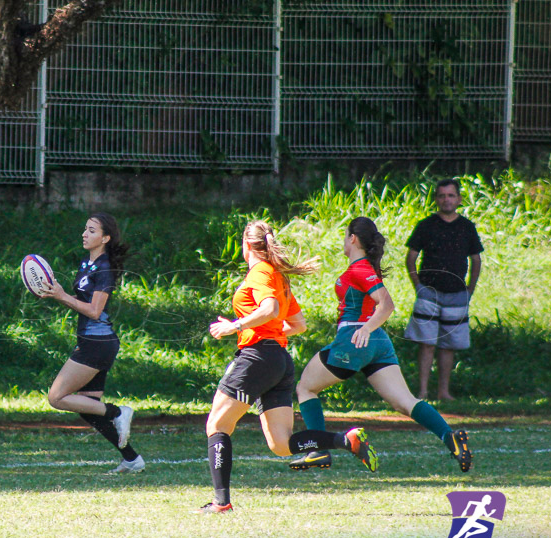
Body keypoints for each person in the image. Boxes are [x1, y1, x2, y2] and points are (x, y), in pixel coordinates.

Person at [198, 220, 379, 515]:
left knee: (217, 425)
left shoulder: (260, 272)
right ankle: (345, 441)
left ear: (246, 245)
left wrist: (236, 326)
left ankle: (221, 502)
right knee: (282, 445)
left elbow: (269, 310)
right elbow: (298, 325)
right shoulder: (279, 277)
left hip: (256, 358)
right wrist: (268, 332)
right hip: (279, 360)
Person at [291, 217, 472, 473]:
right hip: (378, 343)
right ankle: (450, 438)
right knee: (405, 402)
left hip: (356, 339)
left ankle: (318, 451)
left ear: (353, 238)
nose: (344, 241)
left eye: (345, 236)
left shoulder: (359, 268)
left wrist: (365, 328)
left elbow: (386, 304)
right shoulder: (363, 268)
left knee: (306, 388)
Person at [38, 212, 143, 473]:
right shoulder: (88, 262)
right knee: (88, 407)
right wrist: (56, 292)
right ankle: (132, 459)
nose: (85, 234)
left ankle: (118, 412)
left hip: (97, 343)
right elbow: (81, 301)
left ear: (105, 238)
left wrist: (63, 296)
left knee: (57, 397)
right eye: (85, 229)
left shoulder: (105, 268)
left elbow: (95, 311)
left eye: (92, 231)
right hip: (94, 341)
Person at [404, 178, 484, 401]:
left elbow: (476, 259)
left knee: (449, 346)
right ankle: (422, 392)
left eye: (450, 195)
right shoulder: (426, 225)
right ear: (436, 199)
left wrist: (470, 289)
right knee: (427, 344)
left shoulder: (467, 227)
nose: (446, 199)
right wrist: (418, 286)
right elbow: (411, 257)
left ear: (458, 199)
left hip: (458, 294)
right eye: (442, 195)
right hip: (429, 293)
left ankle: (444, 393)